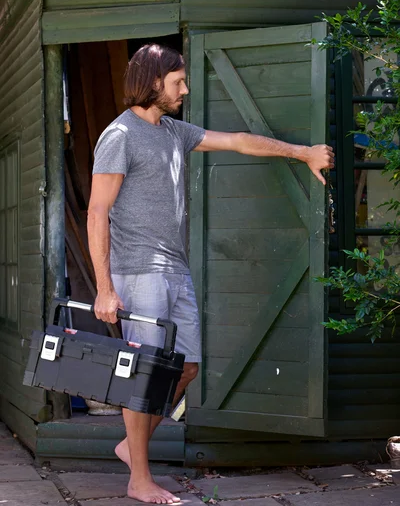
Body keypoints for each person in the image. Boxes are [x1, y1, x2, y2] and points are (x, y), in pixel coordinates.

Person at [87, 44, 334, 505]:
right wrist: (105, 287)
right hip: (139, 272)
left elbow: (239, 140)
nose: (185, 89)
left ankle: (130, 446)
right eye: (178, 81)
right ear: (154, 81)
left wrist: (302, 153)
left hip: (173, 268)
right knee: (146, 374)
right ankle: (139, 478)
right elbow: (97, 211)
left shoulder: (173, 132)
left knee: (187, 367)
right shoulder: (120, 136)